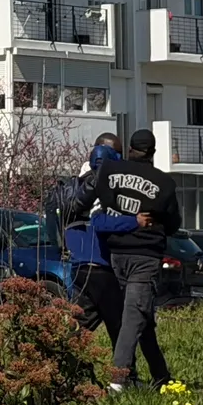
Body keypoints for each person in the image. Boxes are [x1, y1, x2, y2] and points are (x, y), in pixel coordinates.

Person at [86, 127, 181, 390]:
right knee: (133, 316)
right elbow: (173, 224)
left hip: (115, 255)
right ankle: (119, 380)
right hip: (145, 256)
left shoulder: (109, 172)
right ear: (152, 152)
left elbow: (100, 207)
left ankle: (161, 377)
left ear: (129, 148)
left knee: (140, 315)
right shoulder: (164, 184)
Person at [63, 135, 132, 350]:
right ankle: (125, 376)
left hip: (84, 265)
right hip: (100, 265)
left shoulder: (76, 183)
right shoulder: (90, 183)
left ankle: (63, 368)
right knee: (119, 327)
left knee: (80, 327)